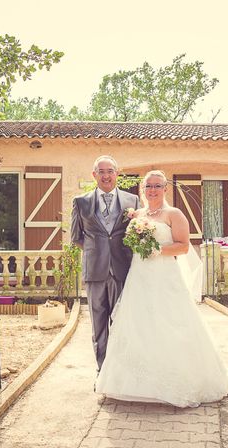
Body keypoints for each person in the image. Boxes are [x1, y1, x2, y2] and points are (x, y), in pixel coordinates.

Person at [96, 170, 228, 407]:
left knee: (171, 323)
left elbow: (183, 247)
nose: (152, 190)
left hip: (165, 277)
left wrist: (157, 250)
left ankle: (178, 382)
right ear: (142, 189)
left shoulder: (174, 214)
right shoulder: (137, 214)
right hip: (139, 276)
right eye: (148, 186)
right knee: (138, 325)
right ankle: (135, 384)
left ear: (165, 189)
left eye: (157, 186)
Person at [70, 155, 140, 372]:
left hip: (122, 270)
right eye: (101, 172)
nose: (106, 176)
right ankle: (102, 370)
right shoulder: (81, 202)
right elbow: (76, 237)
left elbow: (137, 236)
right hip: (95, 273)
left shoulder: (132, 201)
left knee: (122, 323)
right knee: (98, 326)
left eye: (110, 171)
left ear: (116, 174)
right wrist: (96, 253)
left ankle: (121, 371)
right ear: (94, 175)